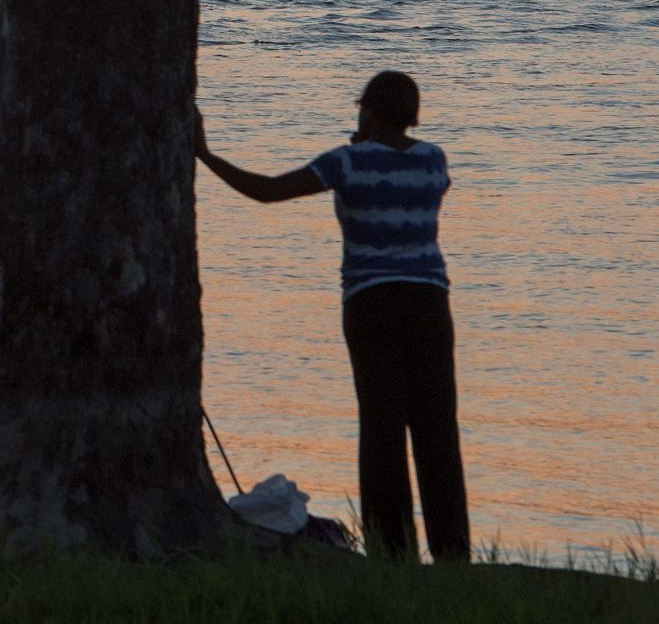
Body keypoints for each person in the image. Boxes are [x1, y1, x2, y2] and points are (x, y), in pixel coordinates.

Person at [194, 70, 471, 562]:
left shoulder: (346, 162)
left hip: (371, 303)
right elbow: (418, 184)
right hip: (431, 303)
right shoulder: (434, 160)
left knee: (382, 428)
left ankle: (392, 553)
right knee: (436, 429)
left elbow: (268, 191)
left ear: (369, 110)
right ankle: (453, 553)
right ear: (412, 115)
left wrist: (206, 155)